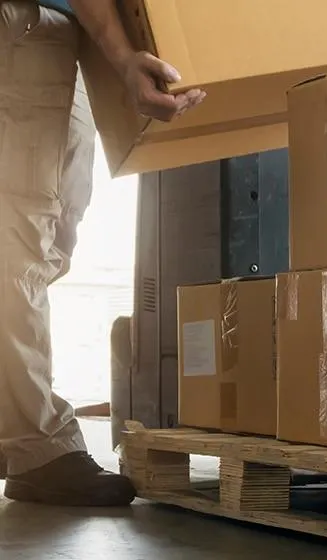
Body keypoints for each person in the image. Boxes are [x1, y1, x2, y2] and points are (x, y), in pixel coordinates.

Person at [0, 0, 204, 506]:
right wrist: (123, 54)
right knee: (20, 242)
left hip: (72, 35)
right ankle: (40, 446)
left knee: (49, 240)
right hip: (26, 25)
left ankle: (20, 438)